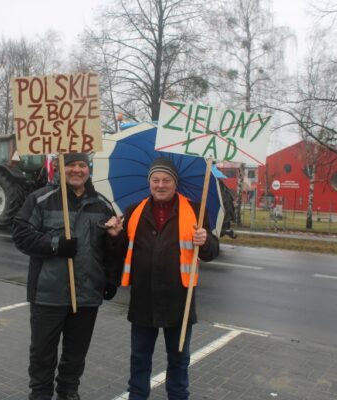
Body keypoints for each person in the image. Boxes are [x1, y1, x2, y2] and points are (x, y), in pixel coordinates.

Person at [105, 157, 220, 400]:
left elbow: (211, 252)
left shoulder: (196, 211)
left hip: (179, 299)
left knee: (179, 360)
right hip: (143, 299)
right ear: (149, 183)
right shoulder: (134, 210)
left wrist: (206, 241)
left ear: (174, 183)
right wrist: (115, 236)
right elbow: (124, 250)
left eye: (166, 180)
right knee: (139, 358)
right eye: (155, 180)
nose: (160, 185)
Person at [12, 152, 123, 400]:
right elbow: (20, 235)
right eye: (71, 165)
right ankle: (40, 395)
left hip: (86, 297)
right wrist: (55, 245)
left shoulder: (102, 205)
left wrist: (111, 274)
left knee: (75, 357)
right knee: (42, 356)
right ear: (61, 168)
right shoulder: (40, 199)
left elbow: (112, 250)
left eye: (82, 165)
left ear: (88, 169)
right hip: (48, 295)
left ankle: (68, 393)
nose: (77, 170)